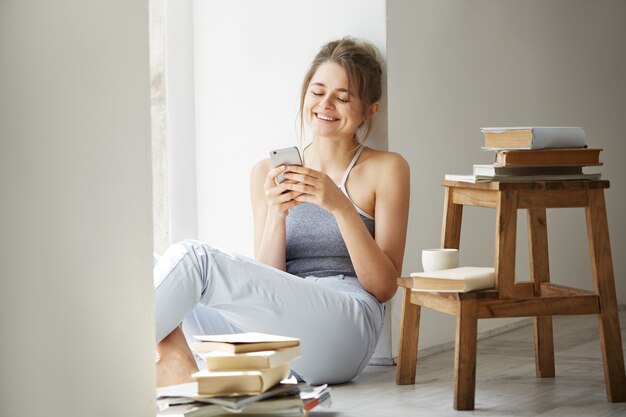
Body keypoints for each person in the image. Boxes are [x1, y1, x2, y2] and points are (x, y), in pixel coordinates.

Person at [154, 37, 410, 387]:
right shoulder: (266, 172)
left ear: (369, 110)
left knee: (194, 258)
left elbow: (383, 287)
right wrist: (276, 215)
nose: (326, 104)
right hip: (281, 331)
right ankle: (176, 359)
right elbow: (270, 278)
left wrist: (340, 206)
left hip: (344, 328)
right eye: (317, 92)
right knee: (153, 262)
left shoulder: (387, 169)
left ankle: (113, 366)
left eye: (343, 96)